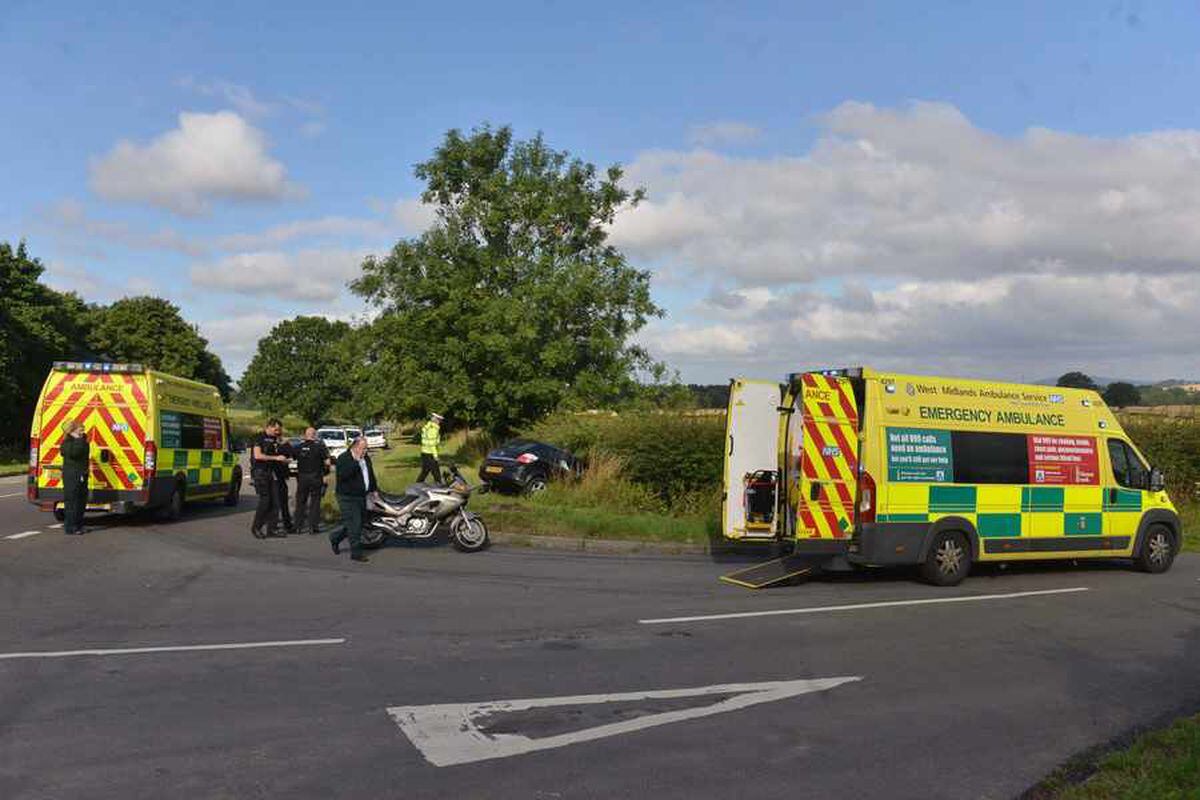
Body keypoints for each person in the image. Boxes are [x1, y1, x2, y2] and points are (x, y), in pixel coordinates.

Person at [331, 436, 377, 563]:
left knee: (359, 522)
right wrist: (356, 462)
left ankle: (335, 538)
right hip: (347, 497)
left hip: (361, 495)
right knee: (355, 524)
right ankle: (356, 553)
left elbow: (370, 474)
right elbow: (342, 476)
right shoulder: (344, 458)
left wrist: (374, 490)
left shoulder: (365, 458)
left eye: (366, 448)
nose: (365, 451)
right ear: (355, 447)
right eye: (363, 449)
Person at [250, 418, 289, 538]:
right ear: (269, 427)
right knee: (265, 501)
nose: (277, 432)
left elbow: (276, 453)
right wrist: (276, 458)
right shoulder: (259, 437)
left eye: (279, 430)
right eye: (276, 429)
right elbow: (257, 455)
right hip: (260, 472)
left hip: (271, 473)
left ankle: (272, 529)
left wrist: (284, 460)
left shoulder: (274, 439)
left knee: (276, 502)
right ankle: (256, 528)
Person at [293, 426, 332, 535]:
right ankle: (312, 527)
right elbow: (328, 462)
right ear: (315, 435)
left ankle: (297, 527)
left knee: (300, 502)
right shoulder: (320, 447)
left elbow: (292, 458)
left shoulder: (298, 447)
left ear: (305, 435)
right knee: (315, 502)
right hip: (316, 477)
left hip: (302, 477)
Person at [60, 419, 90, 535]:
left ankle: (79, 525)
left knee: (81, 501)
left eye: (83, 429)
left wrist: (80, 439)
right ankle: (71, 527)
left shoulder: (82, 440)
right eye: (80, 429)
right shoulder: (68, 442)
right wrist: (78, 439)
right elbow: (74, 453)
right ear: (73, 431)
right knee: (72, 501)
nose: (82, 431)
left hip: (82, 475)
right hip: (72, 476)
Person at [416, 412, 443, 484]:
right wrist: (435, 456)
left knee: (425, 471)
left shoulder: (427, 427)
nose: (440, 422)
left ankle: (417, 485)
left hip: (424, 452)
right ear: (436, 420)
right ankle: (440, 487)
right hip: (430, 453)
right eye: (439, 420)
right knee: (436, 473)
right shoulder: (433, 429)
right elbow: (432, 444)